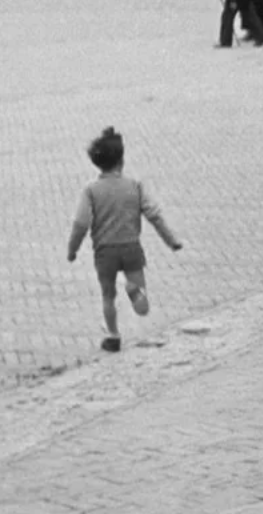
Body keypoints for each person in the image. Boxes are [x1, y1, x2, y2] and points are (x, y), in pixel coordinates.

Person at [66, 126, 184, 353]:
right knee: (142, 306)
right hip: (131, 248)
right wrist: (171, 240)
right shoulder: (134, 186)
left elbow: (80, 224)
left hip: (105, 252)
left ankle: (113, 336)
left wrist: (72, 250)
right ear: (122, 160)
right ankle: (134, 289)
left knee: (107, 296)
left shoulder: (91, 191)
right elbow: (154, 215)